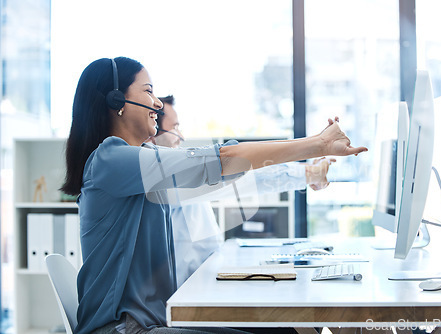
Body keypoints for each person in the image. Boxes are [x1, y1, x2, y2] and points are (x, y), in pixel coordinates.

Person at [61, 56, 367, 334]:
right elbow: (223, 160)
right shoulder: (111, 160)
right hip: (126, 329)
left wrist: (306, 170)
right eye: (148, 91)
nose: (156, 103)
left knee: (284, 329)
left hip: (156, 320)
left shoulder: (143, 161)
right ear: (118, 102)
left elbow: (230, 178)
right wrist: (317, 144)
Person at [150, 95, 335, 287]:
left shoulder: (172, 174)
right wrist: (307, 174)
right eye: (174, 128)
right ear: (152, 134)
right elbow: (240, 178)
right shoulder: (166, 179)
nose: (181, 137)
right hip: (186, 292)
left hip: (203, 280)